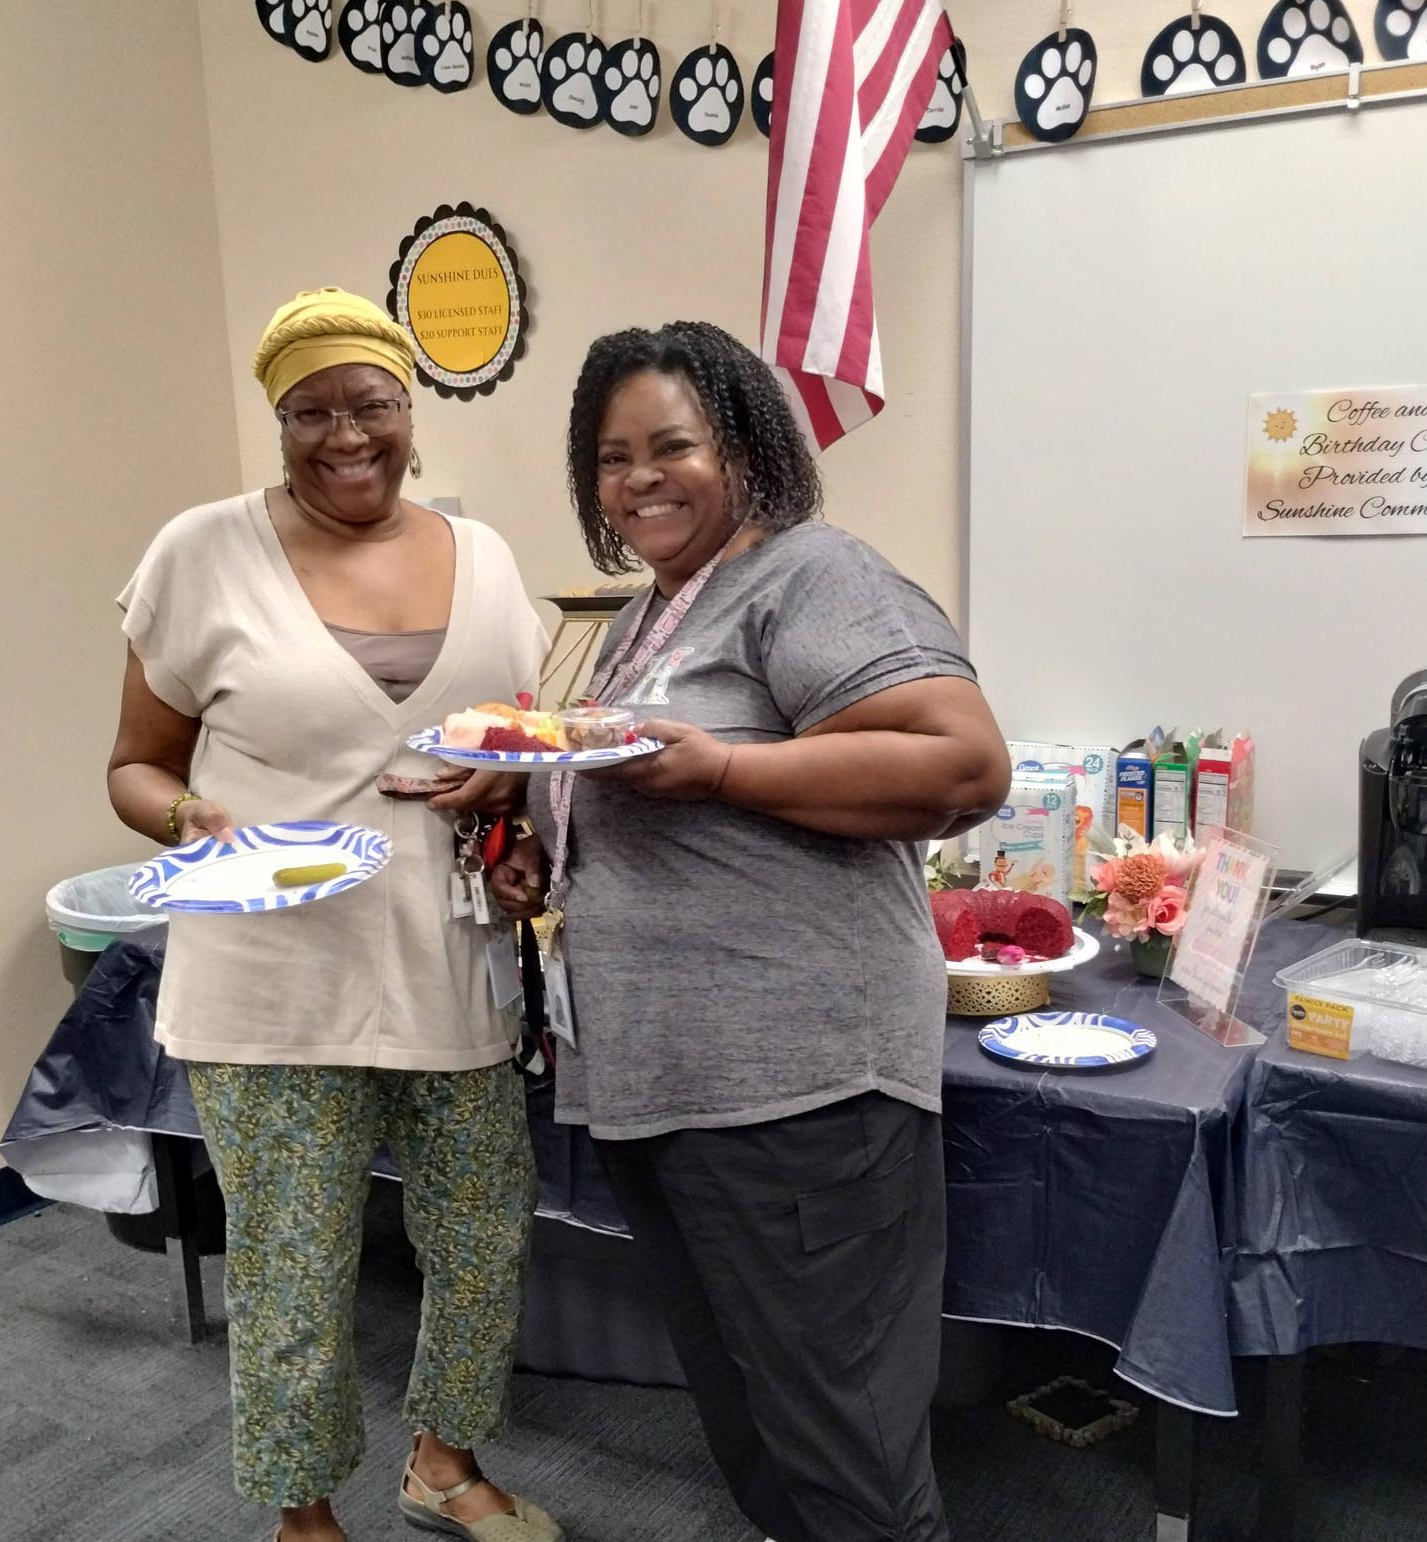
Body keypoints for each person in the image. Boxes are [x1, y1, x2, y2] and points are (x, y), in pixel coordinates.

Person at [490, 321, 1011, 1542]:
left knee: (847, 1453)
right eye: (612, 458)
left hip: (794, 1096)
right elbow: (652, 802)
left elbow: (962, 764)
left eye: (673, 446)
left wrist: (725, 770)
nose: (641, 479)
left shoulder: (812, 574)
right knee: (758, 1426)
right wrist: (544, 848)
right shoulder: (646, 617)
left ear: (743, 447)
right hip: (666, 1090)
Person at [107, 287, 561, 1542]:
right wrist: (189, 819)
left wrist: (516, 829)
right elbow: (134, 765)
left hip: (450, 960)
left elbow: (513, 747)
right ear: (279, 422)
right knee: (294, 1267)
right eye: (311, 412)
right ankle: (304, 1517)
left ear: (410, 410)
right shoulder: (201, 552)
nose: (346, 435)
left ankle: (444, 1462)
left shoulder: (486, 558)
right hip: (271, 976)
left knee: (482, 1237)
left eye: (370, 404)